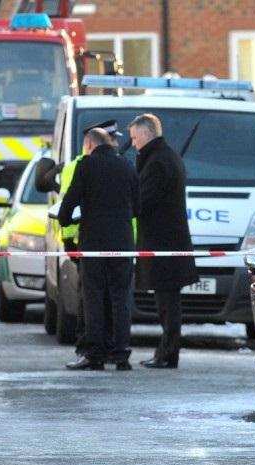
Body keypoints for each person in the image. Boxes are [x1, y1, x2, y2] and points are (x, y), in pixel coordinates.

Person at [59, 127, 139, 371]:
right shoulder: (127, 166)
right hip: (123, 243)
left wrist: (66, 221)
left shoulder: (86, 166)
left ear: (89, 145)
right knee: (121, 297)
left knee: (93, 297)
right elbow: (138, 207)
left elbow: (68, 204)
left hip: (93, 244)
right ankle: (121, 353)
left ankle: (95, 354)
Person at [129, 113, 199, 369]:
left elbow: (143, 201)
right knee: (167, 304)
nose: (134, 144)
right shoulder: (164, 157)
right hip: (168, 243)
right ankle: (166, 352)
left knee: (167, 305)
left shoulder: (157, 162)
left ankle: (167, 354)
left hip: (164, 245)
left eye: (135, 138)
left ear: (147, 135)